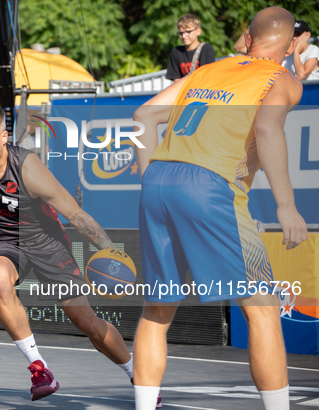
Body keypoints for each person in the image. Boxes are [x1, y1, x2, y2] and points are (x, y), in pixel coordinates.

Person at [132, 7, 307, 410]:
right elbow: (266, 128)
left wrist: (150, 180)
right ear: (292, 45)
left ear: (247, 38)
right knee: (262, 308)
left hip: (159, 179)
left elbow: (144, 116)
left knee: (158, 310)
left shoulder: (210, 70)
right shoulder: (282, 78)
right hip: (209, 186)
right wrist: (286, 206)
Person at [0, 102, 159, 405]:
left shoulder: (30, 170)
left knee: (87, 322)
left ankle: (137, 374)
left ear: (4, 137)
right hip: (0, 240)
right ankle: (39, 369)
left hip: (46, 243)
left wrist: (112, 252)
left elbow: (78, 217)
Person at [166, 14, 215, 82]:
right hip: (184, 90)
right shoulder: (176, 51)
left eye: (188, 32)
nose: (184, 36)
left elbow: (205, 76)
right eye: (181, 33)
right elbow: (176, 80)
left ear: (198, 31)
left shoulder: (206, 49)